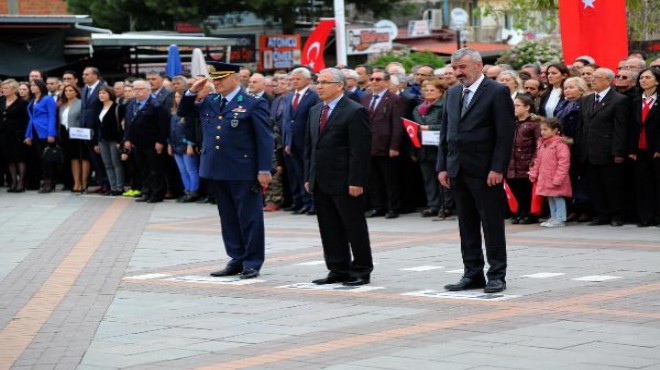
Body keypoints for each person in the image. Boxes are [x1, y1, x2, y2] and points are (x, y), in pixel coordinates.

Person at [178, 62, 273, 279]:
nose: (217, 82)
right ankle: (236, 257)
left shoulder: (252, 104)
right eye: (215, 79)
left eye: (222, 78)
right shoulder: (210, 101)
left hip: (243, 169)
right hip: (216, 168)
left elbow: (265, 139)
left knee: (249, 217)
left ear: (237, 79)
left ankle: (252, 261)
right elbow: (183, 111)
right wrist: (192, 90)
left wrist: (264, 169)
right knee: (228, 217)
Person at [437, 48, 515, 294]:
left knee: (491, 225)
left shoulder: (497, 92)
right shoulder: (451, 93)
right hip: (457, 168)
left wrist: (497, 168)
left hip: (485, 170)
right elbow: (445, 132)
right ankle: (472, 273)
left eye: (463, 67)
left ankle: (496, 275)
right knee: (467, 225)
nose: (458, 73)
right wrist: (442, 166)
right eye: (455, 68)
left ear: (478, 66)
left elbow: (504, 135)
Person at [304, 67, 373, 286]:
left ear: (340, 86)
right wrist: (309, 176)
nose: (319, 86)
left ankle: (361, 269)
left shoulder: (354, 111)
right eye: (318, 82)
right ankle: (337, 268)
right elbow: (310, 147)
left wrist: (357, 181)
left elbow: (360, 150)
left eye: (325, 82)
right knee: (329, 227)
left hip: (345, 181)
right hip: (321, 180)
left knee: (354, 226)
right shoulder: (316, 110)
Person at [578, 68, 629, 227]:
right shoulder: (586, 99)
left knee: (612, 185)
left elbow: (621, 128)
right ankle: (601, 214)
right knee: (594, 184)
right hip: (589, 149)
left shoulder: (619, 99)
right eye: (592, 77)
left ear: (609, 80)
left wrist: (618, 151)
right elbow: (582, 126)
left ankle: (616, 214)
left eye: (597, 78)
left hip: (607, 150)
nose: (592, 80)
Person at [361, 70, 405, 219]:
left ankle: (393, 207)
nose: (374, 82)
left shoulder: (394, 99)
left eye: (378, 79)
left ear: (386, 82)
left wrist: (394, 146)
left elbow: (397, 125)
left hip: (386, 146)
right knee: (374, 180)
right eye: (372, 79)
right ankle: (378, 207)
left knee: (390, 180)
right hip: (369, 146)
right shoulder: (365, 98)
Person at [124, 80, 170, 203]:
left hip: (152, 143)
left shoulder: (156, 105)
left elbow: (163, 126)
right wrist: (127, 138)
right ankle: (146, 191)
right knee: (142, 169)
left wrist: (160, 141)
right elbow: (129, 123)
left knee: (154, 169)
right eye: (135, 89)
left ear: (148, 91)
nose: (137, 92)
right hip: (137, 142)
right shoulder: (131, 104)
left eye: (140, 89)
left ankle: (157, 193)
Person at [282, 67, 320, 215]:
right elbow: (287, 121)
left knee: (307, 174)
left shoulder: (313, 96)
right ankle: (301, 202)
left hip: (306, 141)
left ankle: (312, 203)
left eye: (298, 79)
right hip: (292, 143)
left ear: (307, 80)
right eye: (292, 79)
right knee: (296, 173)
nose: (294, 81)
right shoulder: (289, 97)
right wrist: (287, 142)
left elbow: (313, 120)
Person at [411, 78, 450, 218]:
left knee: (443, 177)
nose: (428, 92)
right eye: (425, 90)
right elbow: (413, 128)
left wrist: (429, 127)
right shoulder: (418, 108)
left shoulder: (445, 106)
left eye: (432, 90)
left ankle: (446, 206)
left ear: (440, 92)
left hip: (440, 147)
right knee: (428, 179)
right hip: (423, 148)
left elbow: (448, 126)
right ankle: (433, 205)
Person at [555, 77, 591, 222]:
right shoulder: (563, 104)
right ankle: (575, 208)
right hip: (564, 146)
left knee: (582, 179)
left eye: (571, 87)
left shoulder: (584, 103)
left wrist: (573, 140)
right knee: (570, 179)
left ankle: (586, 209)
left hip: (579, 145)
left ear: (581, 89)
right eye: (565, 88)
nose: (567, 90)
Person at [628, 68, 660, 226]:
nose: (643, 80)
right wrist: (631, 150)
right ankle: (645, 217)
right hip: (639, 149)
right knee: (643, 184)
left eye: (648, 77)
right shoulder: (634, 101)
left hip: (656, 148)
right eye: (641, 78)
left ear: (657, 81)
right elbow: (630, 127)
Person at [529, 118, 572, 227]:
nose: (542, 132)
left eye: (546, 129)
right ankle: (553, 217)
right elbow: (538, 160)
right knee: (550, 197)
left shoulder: (560, 144)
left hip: (555, 177)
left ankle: (561, 218)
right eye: (541, 129)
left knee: (558, 197)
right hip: (545, 177)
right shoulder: (542, 144)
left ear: (555, 130)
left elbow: (564, 162)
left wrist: (558, 178)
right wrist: (534, 173)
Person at [507, 94, 541, 224]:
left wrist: (533, 162)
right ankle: (519, 211)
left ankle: (530, 213)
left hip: (526, 162)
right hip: (512, 162)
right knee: (516, 189)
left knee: (527, 190)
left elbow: (538, 145)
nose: (514, 108)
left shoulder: (534, 124)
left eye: (517, 105)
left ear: (527, 107)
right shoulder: (512, 123)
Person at [25, 79, 58, 193]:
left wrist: (51, 133)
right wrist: (28, 135)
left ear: (41, 87)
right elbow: (31, 119)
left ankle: (49, 182)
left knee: (46, 158)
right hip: (34, 132)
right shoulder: (33, 100)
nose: (32, 87)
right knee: (40, 158)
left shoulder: (47, 99)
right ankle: (46, 181)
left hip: (44, 131)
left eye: (34, 85)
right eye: (31, 85)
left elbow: (52, 116)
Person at [168, 90, 200, 203]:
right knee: (182, 170)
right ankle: (186, 190)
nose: (177, 99)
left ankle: (193, 191)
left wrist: (190, 144)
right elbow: (171, 130)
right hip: (176, 145)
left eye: (179, 97)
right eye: (175, 97)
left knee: (191, 170)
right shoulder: (173, 112)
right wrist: (169, 144)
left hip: (186, 145)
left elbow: (191, 130)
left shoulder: (188, 112)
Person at [93, 86, 125, 196]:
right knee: (107, 164)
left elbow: (122, 126)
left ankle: (119, 187)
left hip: (114, 140)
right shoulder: (99, 108)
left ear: (110, 94)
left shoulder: (118, 107)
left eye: (104, 93)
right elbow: (97, 126)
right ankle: (112, 187)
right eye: (100, 93)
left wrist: (119, 141)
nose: (101, 95)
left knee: (116, 163)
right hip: (102, 140)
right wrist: (96, 141)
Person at [0, 79, 30, 192]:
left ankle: (21, 182)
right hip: (3, 134)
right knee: (9, 159)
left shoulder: (22, 103)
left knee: (20, 158)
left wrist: (26, 134)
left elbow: (27, 120)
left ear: (13, 89)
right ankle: (13, 182)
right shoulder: (1, 100)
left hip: (17, 134)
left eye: (6, 88)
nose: (3, 90)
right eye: (3, 88)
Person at [58, 83, 88, 192]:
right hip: (66, 134)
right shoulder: (62, 105)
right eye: (66, 91)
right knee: (73, 159)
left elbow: (84, 119)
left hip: (78, 133)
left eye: (70, 90)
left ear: (76, 92)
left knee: (82, 158)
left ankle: (83, 182)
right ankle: (76, 182)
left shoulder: (81, 103)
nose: (67, 93)